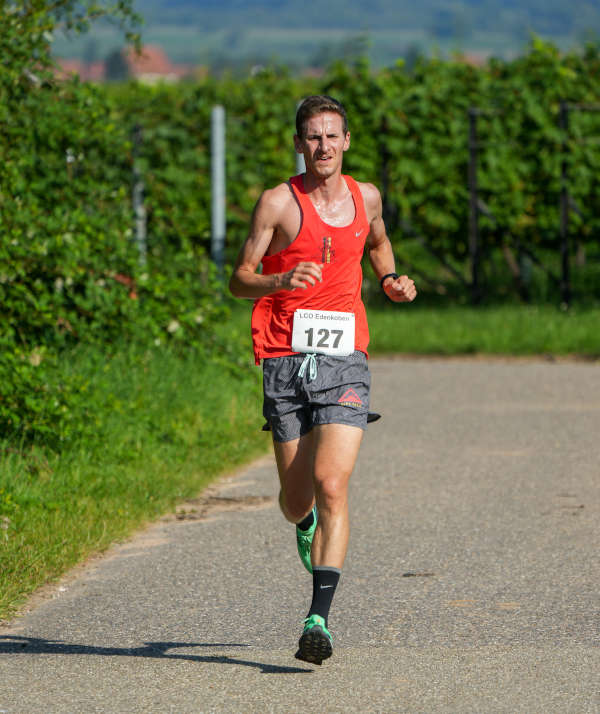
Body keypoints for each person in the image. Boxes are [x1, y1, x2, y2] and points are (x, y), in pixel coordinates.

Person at [229, 95, 416, 665]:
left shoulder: (367, 197)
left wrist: (390, 280)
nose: (323, 147)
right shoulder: (278, 204)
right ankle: (303, 522)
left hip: (344, 359)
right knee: (295, 499)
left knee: (333, 482)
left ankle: (318, 620)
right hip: (286, 357)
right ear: (298, 143)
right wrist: (279, 278)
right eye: (313, 137)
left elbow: (379, 244)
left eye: (332, 136)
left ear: (347, 141)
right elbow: (239, 280)